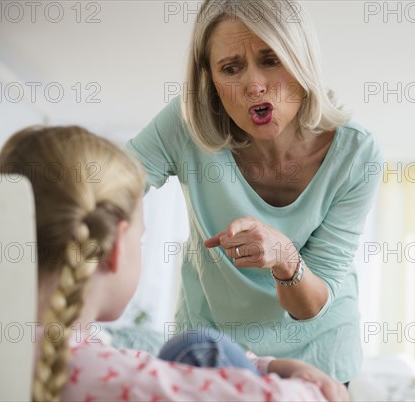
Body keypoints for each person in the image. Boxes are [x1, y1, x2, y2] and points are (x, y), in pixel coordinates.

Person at [127, 0, 384, 385]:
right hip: (211, 350)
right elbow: (111, 183)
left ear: (301, 61)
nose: (253, 85)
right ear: (210, 80)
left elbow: (313, 304)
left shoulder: (357, 154)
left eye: (271, 59)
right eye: (231, 68)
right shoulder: (185, 124)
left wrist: (285, 258)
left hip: (316, 354)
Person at [0, 126, 347, 402]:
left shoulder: (21, 347)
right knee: (202, 346)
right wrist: (302, 376)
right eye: (141, 238)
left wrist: (271, 365)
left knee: (191, 347)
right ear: (115, 248)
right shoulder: (94, 371)